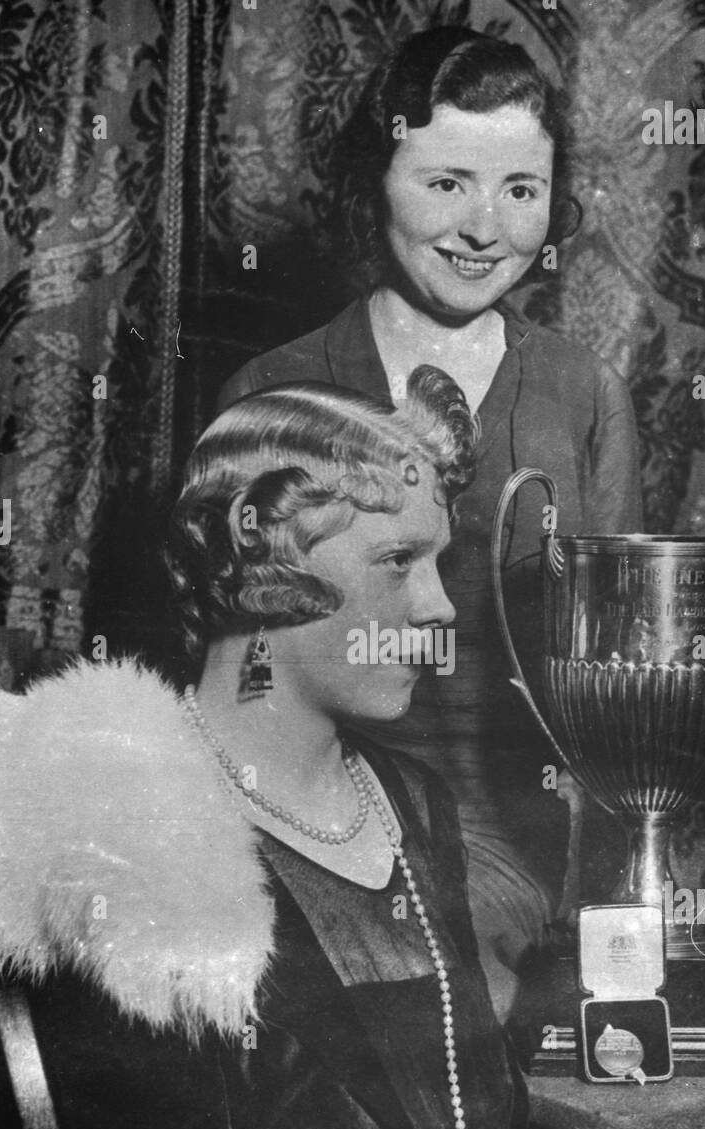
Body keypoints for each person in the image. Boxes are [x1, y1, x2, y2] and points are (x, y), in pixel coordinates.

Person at [0, 374, 663, 1129]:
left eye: (438, 563)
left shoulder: (407, 801)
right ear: (265, 575)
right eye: (396, 562)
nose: (438, 608)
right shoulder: (124, 829)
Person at [217, 27, 643, 1019]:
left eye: (519, 191)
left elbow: (619, 682)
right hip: (310, 811)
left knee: (436, 983)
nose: (483, 228)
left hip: (509, 831)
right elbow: (234, 682)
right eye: (445, 183)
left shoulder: (583, 395)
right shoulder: (276, 389)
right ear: (380, 180)